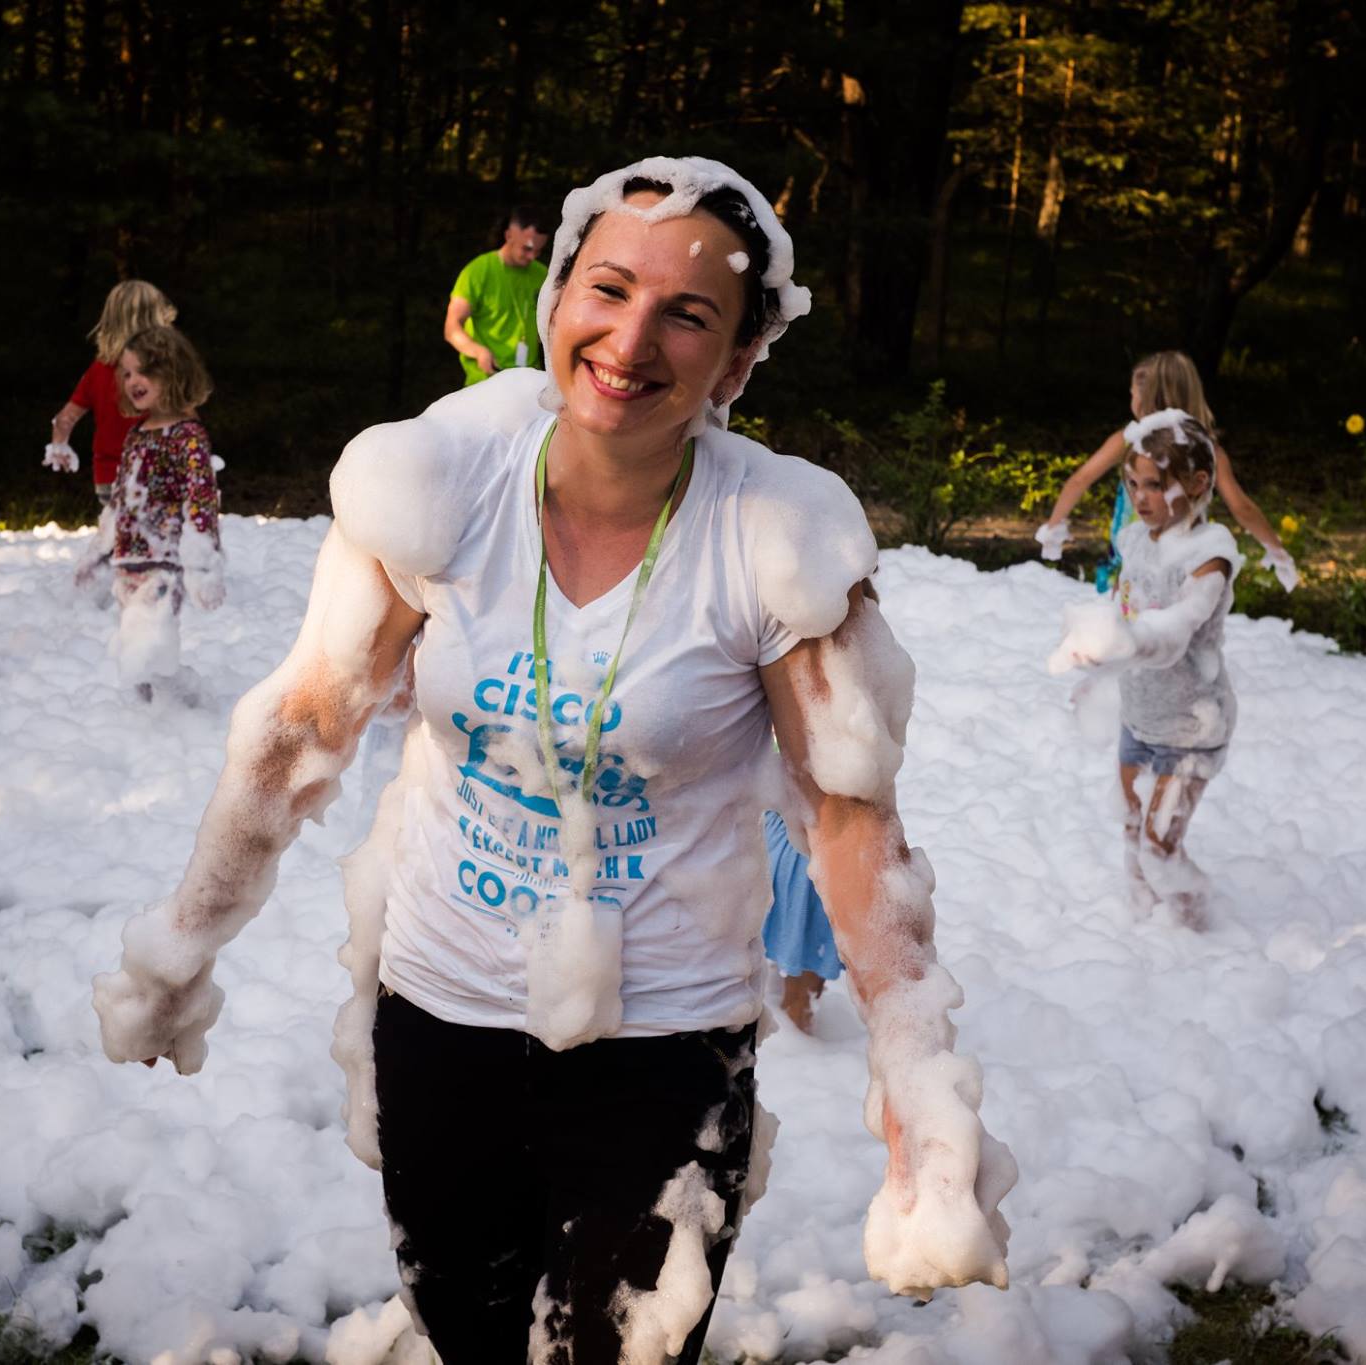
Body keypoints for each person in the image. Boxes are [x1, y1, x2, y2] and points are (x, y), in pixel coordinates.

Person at [94, 156, 1014, 1364]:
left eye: (687, 314)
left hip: (665, 1044)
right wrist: (177, 949)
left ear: (737, 359)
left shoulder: (773, 544)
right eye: (609, 289)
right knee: (468, 1337)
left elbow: (849, 824)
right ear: (556, 297)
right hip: (439, 1013)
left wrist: (916, 1086)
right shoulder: (440, 484)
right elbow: (299, 731)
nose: (630, 341)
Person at [1048, 409, 1237, 930]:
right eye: (1132, 484)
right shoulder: (1134, 540)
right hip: (1140, 716)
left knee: (1159, 847)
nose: (1140, 497)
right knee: (1132, 826)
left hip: (1190, 729)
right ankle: (1142, 930)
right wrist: (1098, 674)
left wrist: (1121, 644)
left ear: (1198, 483)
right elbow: (1124, 609)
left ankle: (1200, 931)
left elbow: (1175, 631)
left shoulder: (1210, 556)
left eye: (1154, 484)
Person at [1035, 350, 1296, 594]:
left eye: (1132, 394)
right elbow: (1242, 508)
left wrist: (1053, 529)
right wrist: (1278, 552)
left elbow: (1080, 480)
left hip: (1134, 553)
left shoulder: (1130, 440)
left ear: (1144, 397)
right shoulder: (1207, 449)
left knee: (1127, 613)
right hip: (1186, 556)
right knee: (1179, 613)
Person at [104, 325, 224, 695]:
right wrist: (101, 546)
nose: (132, 381)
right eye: (126, 374)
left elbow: (201, 498)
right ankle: (156, 706)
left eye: (143, 371)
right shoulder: (136, 433)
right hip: (129, 558)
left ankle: (176, 703)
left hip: (167, 560)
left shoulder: (188, 435)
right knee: (133, 642)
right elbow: (121, 498)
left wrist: (203, 566)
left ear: (171, 372)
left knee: (150, 643)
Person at [44, 279, 178, 502]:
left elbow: (64, 419)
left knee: (115, 523)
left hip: (109, 477)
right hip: (157, 474)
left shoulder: (99, 369)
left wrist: (59, 447)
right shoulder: (164, 369)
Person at [443, 204, 549, 385]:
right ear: (509, 236)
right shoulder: (478, 271)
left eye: (538, 251)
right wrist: (478, 352)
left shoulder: (542, 274)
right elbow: (451, 329)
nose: (532, 256)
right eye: (527, 248)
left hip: (527, 381)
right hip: (486, 382)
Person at [762, 809, 843, 1032]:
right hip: (812, 856)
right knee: (801, 995)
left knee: (786, 959)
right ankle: (795, 1034)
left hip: (776, 834)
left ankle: (790, 1036)